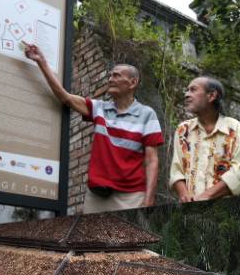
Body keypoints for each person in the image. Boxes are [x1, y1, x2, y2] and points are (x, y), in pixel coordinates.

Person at [24, 45, 162, 212]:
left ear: (133, 82)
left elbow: (151, 160)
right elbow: (65, 97)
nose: (110, 79)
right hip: (96, 197)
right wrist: (41, 62)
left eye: (116, 76)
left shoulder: (147, 114)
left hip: (131, 197)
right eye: (110, 75)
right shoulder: (99, 108)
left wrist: (149, 200)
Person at [168, 76, 240, 202]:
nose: (186, 94)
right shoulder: (183, 130)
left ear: (211, 96)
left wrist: (206, 196)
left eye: (193, 90)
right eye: (187, 90)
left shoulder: (233, 128)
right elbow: (176, 170)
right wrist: (184, 194)